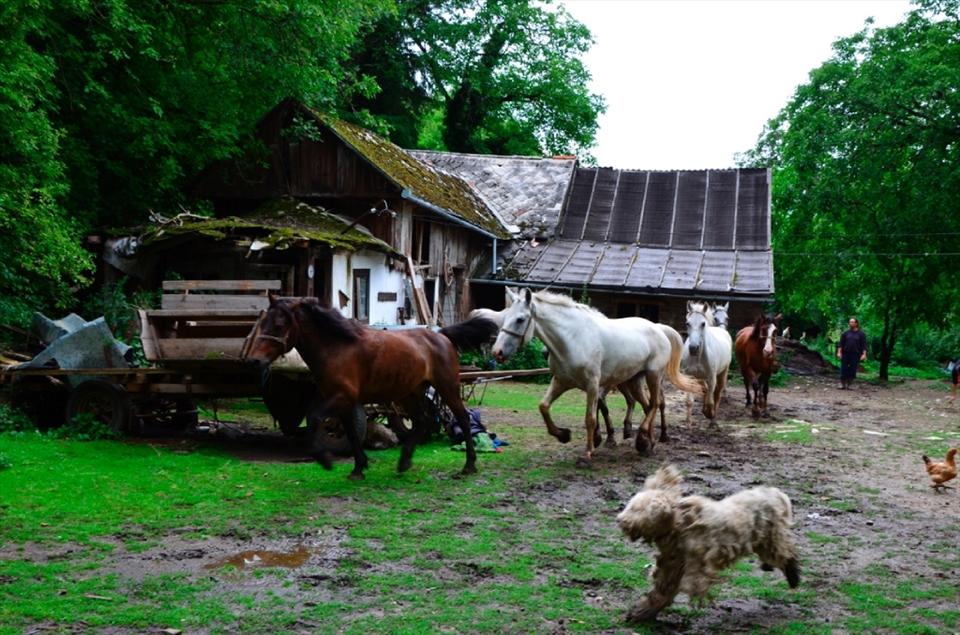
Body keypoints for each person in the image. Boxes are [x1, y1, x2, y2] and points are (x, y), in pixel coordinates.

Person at [836, 317, 867, 389]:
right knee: (843, 368)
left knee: (853, 369)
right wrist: (839, 352)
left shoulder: (861, 334)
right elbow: (841, 344)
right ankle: (842, 384)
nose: (850, 323)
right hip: (845, 353)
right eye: (850, 322)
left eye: (852, 322)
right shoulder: (845, 333)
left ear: (856, 323)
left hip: (855, 354)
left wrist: (864, 354)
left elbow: (864, 345)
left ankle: (849, 384)